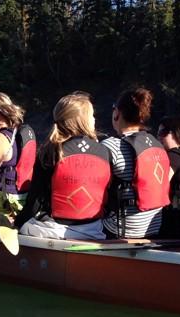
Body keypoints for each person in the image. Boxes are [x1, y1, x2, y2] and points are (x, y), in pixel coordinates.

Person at [16, 92, 111, 241]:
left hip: (52, 231)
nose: (94, 119)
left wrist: (18, 224)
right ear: (83, 120)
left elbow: (34, 202)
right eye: (92, 116)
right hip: (93, 231)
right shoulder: (104, 152)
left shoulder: (50, 151)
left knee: (23, 225)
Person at [101, 88, 168, 239]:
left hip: (121, 230)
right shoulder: (157, 145)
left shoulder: (112, 146)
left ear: (117, 113)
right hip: (153, 227)